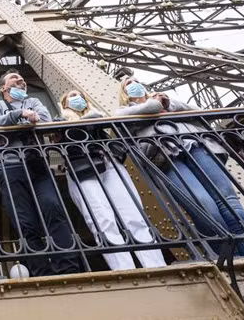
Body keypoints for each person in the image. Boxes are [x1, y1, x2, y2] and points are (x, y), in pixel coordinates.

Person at [114, 77, 244, 258]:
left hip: (196, 145)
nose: (134, 85)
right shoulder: (123, 111)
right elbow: (145, 111)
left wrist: (168, 103)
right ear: (123, 93)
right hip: (164, 156)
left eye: (136, 81)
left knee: (230, 203)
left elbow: (198, 112)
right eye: (128, 85)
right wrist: (156, 103)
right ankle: (230, 259)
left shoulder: (167, 101)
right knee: (204, 207)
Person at [0, 69, 80, 277]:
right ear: (3, 88)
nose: (21, 81)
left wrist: (13, 123)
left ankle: (68, 267)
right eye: (15, 79)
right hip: (10, 167)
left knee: (53, 208)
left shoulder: (34, 101)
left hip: (37, 165)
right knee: (25, 221)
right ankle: (41, 271)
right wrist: (19, 115)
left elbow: (43, 120)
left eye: (22, 79)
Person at [59, 90, 166, 270]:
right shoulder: (61, 120)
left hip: (110, 165)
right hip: (82, 169)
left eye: (82, 96)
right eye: (72, 96)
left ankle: (156, 266)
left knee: (134, 216)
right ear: (65, 105)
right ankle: (124, 269)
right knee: (103, 221)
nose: (78, 99)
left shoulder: (99, 118)